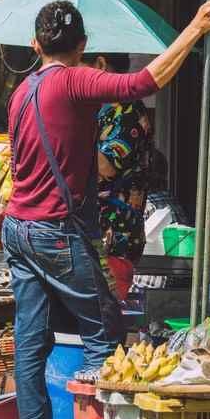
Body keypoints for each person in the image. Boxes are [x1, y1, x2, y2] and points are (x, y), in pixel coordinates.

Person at [3, 0, 210, 419]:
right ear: (83, 46)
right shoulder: (76, 79)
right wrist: (194, 27)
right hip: (56, 230)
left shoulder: (21, 92)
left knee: (30, 342)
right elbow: (145, 81)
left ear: (35, 44)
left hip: (18, 228)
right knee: (104, 331)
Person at [82, 53, 154, 301]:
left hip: (113, 235)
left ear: (100, 64)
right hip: (91, 232)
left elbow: (106, 166)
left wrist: (69, 132)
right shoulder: (100, 108)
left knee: (103, 313)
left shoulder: (125, 108)